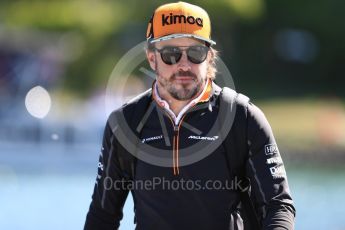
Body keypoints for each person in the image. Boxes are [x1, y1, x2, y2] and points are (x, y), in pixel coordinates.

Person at [84, 2, 296, 230]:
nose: (184, 65)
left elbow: (278, 206)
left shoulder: (242, 116)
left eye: (195, 53)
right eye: (171, 54)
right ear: (152, 58)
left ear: (210, 57)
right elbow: (103, 215)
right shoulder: (125, 122)